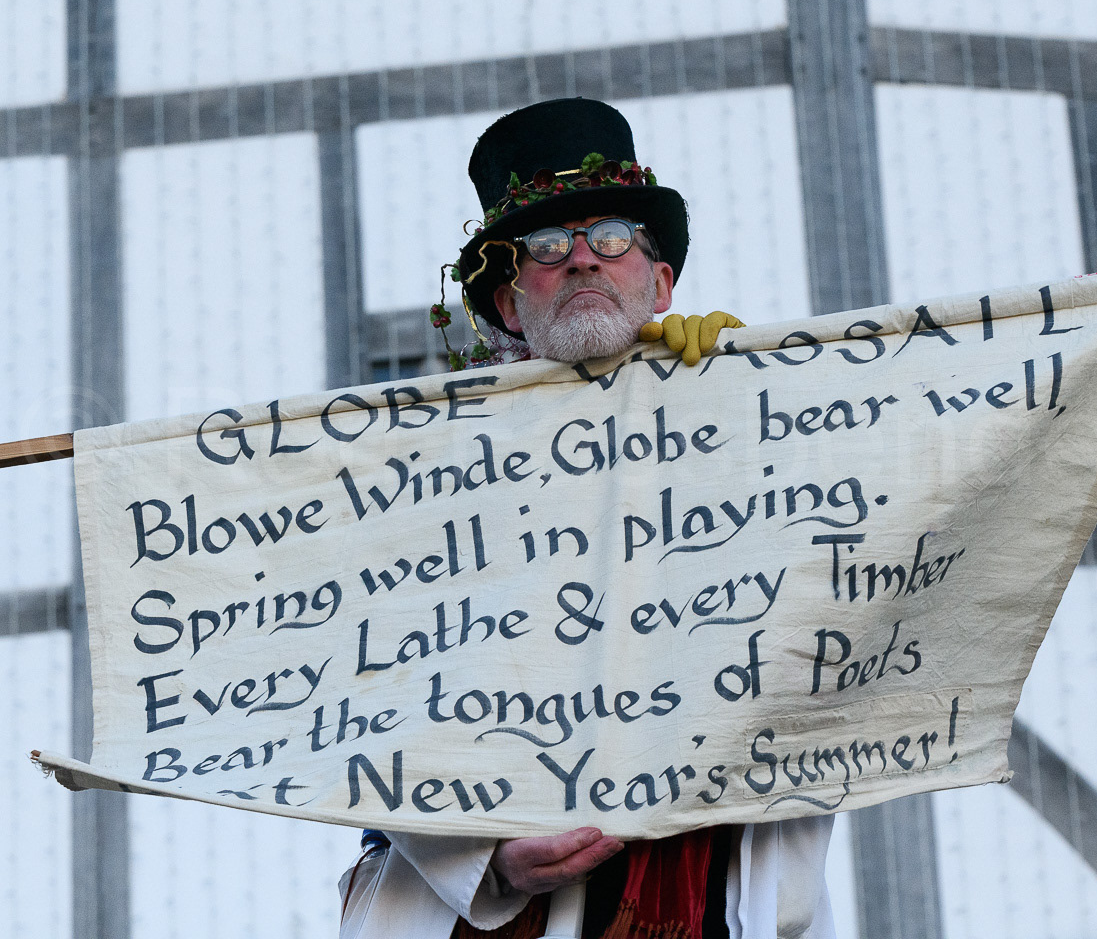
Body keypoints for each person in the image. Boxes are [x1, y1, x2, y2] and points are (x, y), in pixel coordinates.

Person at [339, 99, 838, 939]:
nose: (580, 261)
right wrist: (485, 856)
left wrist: (760, 422)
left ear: (662, 281)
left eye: (610, 236)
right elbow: (374, 685)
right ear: (505, 303)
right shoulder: (418, 477)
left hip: (708, 882)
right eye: (544, 248)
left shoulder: (760, 432)